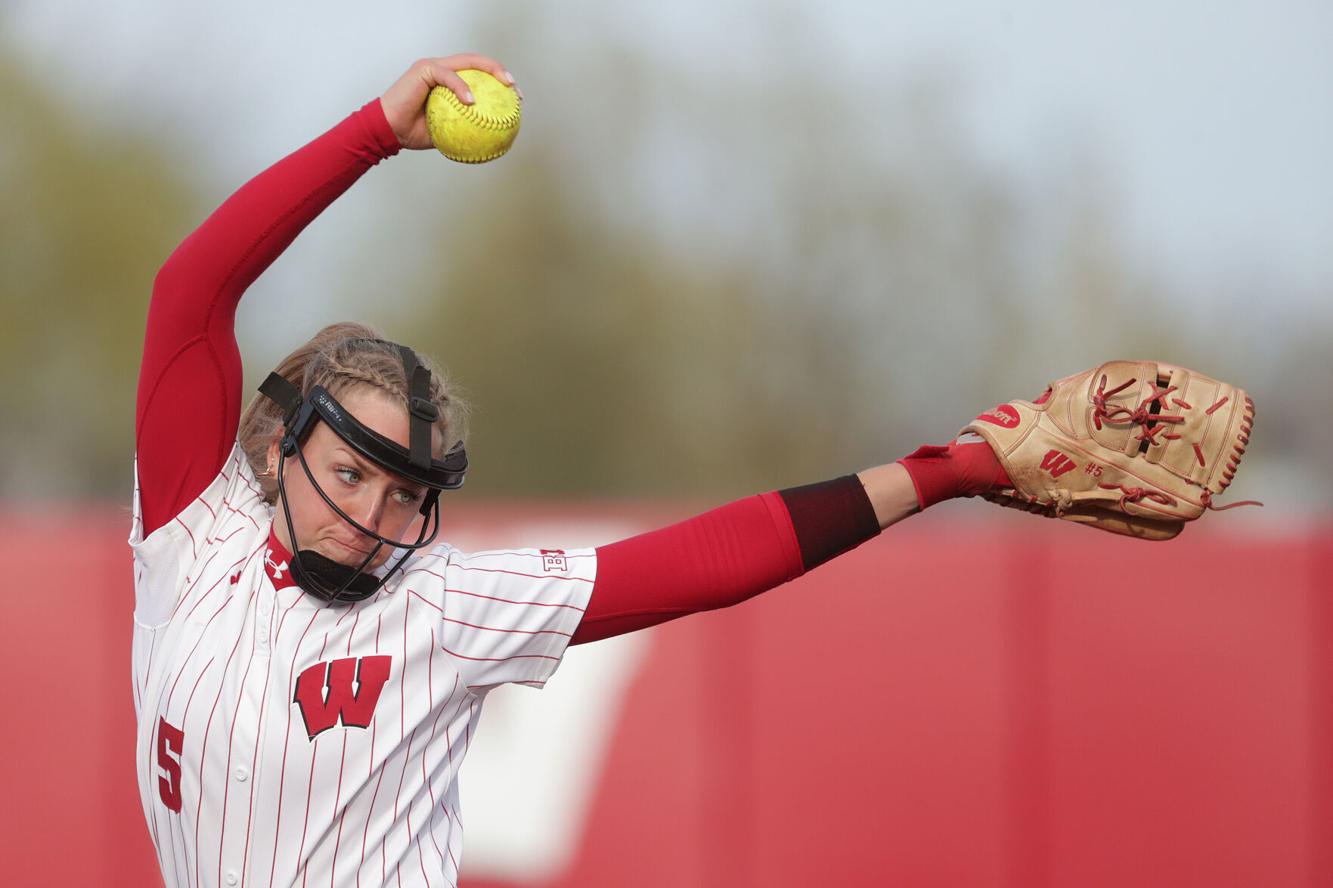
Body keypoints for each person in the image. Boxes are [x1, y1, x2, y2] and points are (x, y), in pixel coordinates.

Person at [131, 53, 1010, 888]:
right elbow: (190, 290)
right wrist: (371, 134)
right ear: (286, 451)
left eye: (405, 494)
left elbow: (708, 561)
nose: (373, 519)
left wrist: (940, 474)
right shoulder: (195, 539)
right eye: (350, 475)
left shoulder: (441, 606)